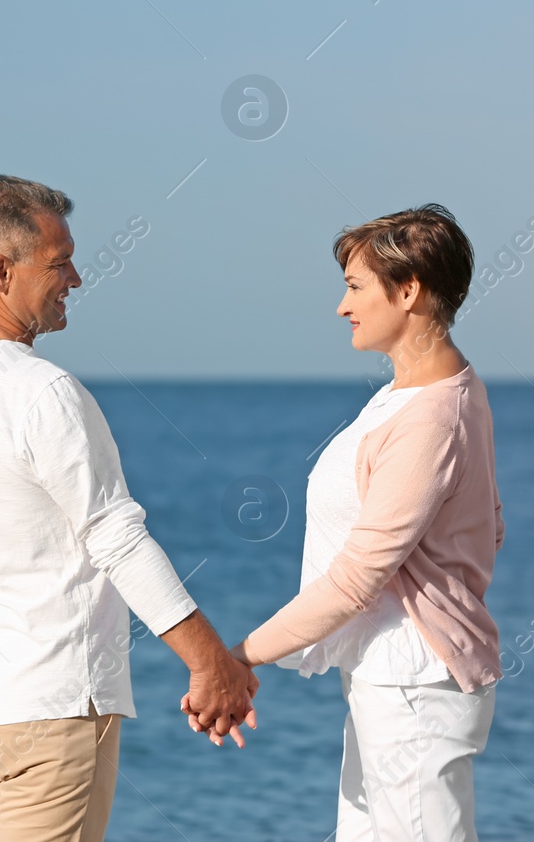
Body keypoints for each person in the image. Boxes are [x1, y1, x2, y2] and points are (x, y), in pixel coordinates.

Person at [0, 175, 257, 842]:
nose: (78, 278)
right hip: (48, 714)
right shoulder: (44, 391)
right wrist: (209, 662)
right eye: (59, 263)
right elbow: (115, 536)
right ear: (1, 271)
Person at [198, 204, 505, 841]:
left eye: (355, 286)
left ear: (410, 290)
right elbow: (488, 524)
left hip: (412, 685)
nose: (343, 306)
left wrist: (235, 660)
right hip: (389, 677)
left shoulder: (429, 417)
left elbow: (355, 580)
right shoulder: (416, 393)